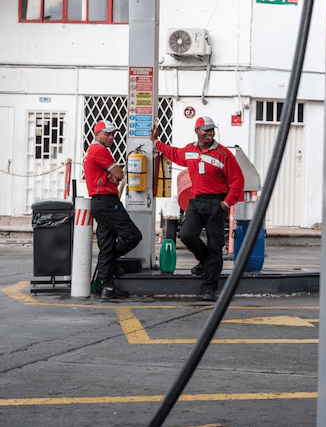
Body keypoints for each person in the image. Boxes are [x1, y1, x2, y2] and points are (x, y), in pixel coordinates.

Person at [151, 117, 244, 302]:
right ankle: (206, 261)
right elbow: (175, 153)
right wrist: (156, 143)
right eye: (206, 130)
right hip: (197, 201)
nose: (209, 134)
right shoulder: (190, 150)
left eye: (212, 131)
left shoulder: (223, 154)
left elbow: (238, 181)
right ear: (197, 131)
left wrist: (226, 203)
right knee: (186, 234)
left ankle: (209, 287)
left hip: (217, 203)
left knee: (215, 245)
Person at [84, 119, 142, 300]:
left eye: (113, 134)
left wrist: (112, 175)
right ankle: (108, 266)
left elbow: (115, 175)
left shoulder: (93, 151)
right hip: (107, 202)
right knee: (133, 236)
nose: (111, 137)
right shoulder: (99, 150)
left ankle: (107, 286)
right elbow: (119, 174)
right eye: (107, 134)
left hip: (100, 202)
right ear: (97, 134)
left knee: (107, 243)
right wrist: (114, 175)